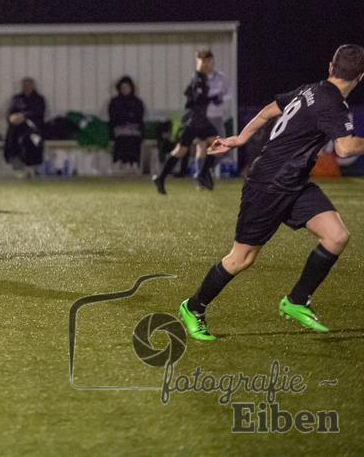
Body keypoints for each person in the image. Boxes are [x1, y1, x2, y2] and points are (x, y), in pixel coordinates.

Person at [178, 44, 364, 340]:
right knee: (241, 259)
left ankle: (296, 301)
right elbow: (344, 148)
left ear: (331, 67)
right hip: (267, 185)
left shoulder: (311, 89)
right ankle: (193, 306)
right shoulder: (333, 103)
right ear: (361, 77)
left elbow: (268, 111)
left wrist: (240, 138)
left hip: (295, 182)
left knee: (336, 236)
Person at [152, 50, 219, 193]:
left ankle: (162, 177)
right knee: (211, 144)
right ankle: (201, 174)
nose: (209, 65)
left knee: (186, 149)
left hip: (198, 120)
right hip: (194, 120)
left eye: (211, 63)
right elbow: (197, 98)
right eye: (207, 62)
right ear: (200, 61)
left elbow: (188, 93)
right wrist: (213, 98)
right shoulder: (198, 78)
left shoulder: (201, 78)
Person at [4, 77, 45, 171]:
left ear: (33, 86)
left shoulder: (39, 99)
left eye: (29, 85)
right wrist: (12, 117)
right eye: (24, 85)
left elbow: (39, 113)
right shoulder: (16, 98)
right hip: (17, 126)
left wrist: (23, 116)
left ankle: (30, 164)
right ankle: (13, 158)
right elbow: (10, 112)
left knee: (28, 139)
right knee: (12, 133)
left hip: (32, 127)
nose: (26, 87)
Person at [108, 76, 144, 171]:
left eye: (127, 87)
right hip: (120, 129)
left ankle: (133, 162)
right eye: (122, 87)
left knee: (132, 137)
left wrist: (128, 119)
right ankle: (121, 161)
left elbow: (139, 117)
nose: (125, 90)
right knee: (123, 136)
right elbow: (113, 117)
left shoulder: (137, 102)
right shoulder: (115, 102)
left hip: (133, 129)